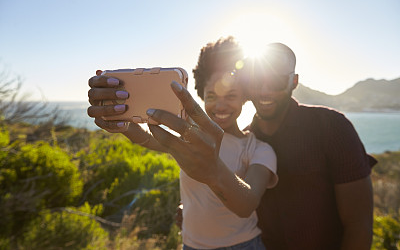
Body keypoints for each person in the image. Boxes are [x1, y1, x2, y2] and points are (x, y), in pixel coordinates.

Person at [87, 37, 278, 249]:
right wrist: (117, 118)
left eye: (231, 95)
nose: (220, 104)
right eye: (211, 95)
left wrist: (213, 171)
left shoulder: (259, 149)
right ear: (201, 96)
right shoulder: (191, 138)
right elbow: (144, 139)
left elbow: (247, 204)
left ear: (244, 98)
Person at [243, 43, 377, 250]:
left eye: (276, 80)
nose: (264, 90)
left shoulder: (332, 127)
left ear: (294, 82)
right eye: (256, 80)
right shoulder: (244, 139)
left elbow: (359, 225)